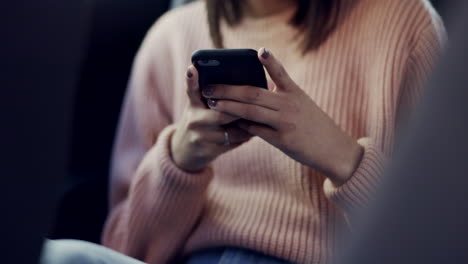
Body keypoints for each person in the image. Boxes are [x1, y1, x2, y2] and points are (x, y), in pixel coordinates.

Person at [41, 0, 447, 263]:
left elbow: (438, 238)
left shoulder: (403, 21)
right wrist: (179, 163)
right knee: (60, 256)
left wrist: (341, 157)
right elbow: (125, 248)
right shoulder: (168, 39)